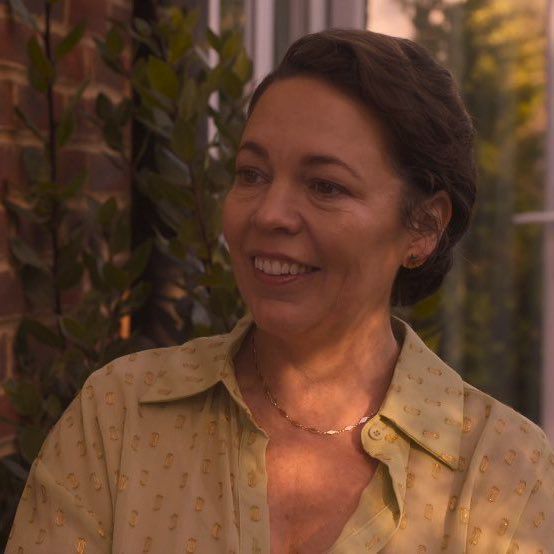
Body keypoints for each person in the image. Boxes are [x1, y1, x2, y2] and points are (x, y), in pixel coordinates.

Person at [6, 29, 553, 554]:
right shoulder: (120, 417)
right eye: (252, 173)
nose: (269, 213)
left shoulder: (508, 473)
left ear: (424, 227)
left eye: (325, 186)